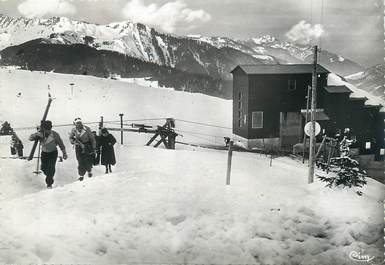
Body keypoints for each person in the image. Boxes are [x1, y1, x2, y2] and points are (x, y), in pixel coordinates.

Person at [29, 120, 67, 188]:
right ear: (44, 129)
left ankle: (49, 183)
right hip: (44, 153)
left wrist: (64, 153)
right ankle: (50, 175)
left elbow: (61, 144)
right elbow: (30, 138)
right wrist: (35, 134)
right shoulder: (40, 134)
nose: (48, 131)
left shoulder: (55, 134)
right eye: (46, 129)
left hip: (53, 153)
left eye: (49, 129)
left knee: (51, 167)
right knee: (43, 168)